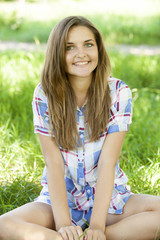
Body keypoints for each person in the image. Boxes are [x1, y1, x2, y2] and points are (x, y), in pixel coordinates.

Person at [0, 16, 160, 240]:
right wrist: (64, 225)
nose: (81, 53)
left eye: (88, 44)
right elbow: (53, 162)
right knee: (4, 225)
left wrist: (97, 227)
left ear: (98, 48)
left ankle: (98, 238)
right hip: (60, 200)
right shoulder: (44, 95)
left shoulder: (117, 91)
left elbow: (107, 162)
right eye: (69, 47)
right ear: (57, 53)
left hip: (108, 198)